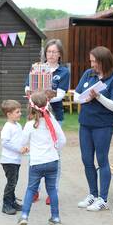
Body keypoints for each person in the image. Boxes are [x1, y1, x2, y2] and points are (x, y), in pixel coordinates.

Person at [74, 46, 113, 211]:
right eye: (91, 61)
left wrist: (99, 96)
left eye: (94, 61)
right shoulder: (88, 74)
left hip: (103, 125)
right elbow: (76, 95)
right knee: (87, 159)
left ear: (104, 61)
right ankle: (92, 195)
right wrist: (86, 99)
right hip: (85, 123)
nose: (92, 64)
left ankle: (103, 199)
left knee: (102, 160)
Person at [24, 38, 70, 205]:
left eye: (54, 52)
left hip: (54, 115)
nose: (51, 55)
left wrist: (44, 99)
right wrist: (32, 96)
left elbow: (61, 94)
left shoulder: (63, 72)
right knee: (34, 153)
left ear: (59, 54)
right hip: (36, 115)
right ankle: (34, 190)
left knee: (55, 154)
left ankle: (53, 191)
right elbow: (27, 87)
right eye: (49, 52)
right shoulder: (37, 67)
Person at [18, 91, 66, 225]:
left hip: (36, 163)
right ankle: (55, 217)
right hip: (52, 161)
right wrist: (56, 149)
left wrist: (26, 147)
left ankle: (24, 216)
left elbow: (23, 141)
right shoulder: (53, 122)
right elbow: (62, 140)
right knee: (52, 190)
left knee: (30, 189)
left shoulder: (30, 124)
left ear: (30, 107)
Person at [0, 100, 25, 215]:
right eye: (17, 112)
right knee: (11, 183)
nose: (20, 113)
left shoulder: (18, 125)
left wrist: (24, 147)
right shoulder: (7, 127)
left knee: (14, 182)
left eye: (20, 111)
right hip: (8, 160)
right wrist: (18, 149)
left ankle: (12, 201)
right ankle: (6, 205)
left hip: (16, 160)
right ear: (9, 114)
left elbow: (19, 140)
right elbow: (5, 143)